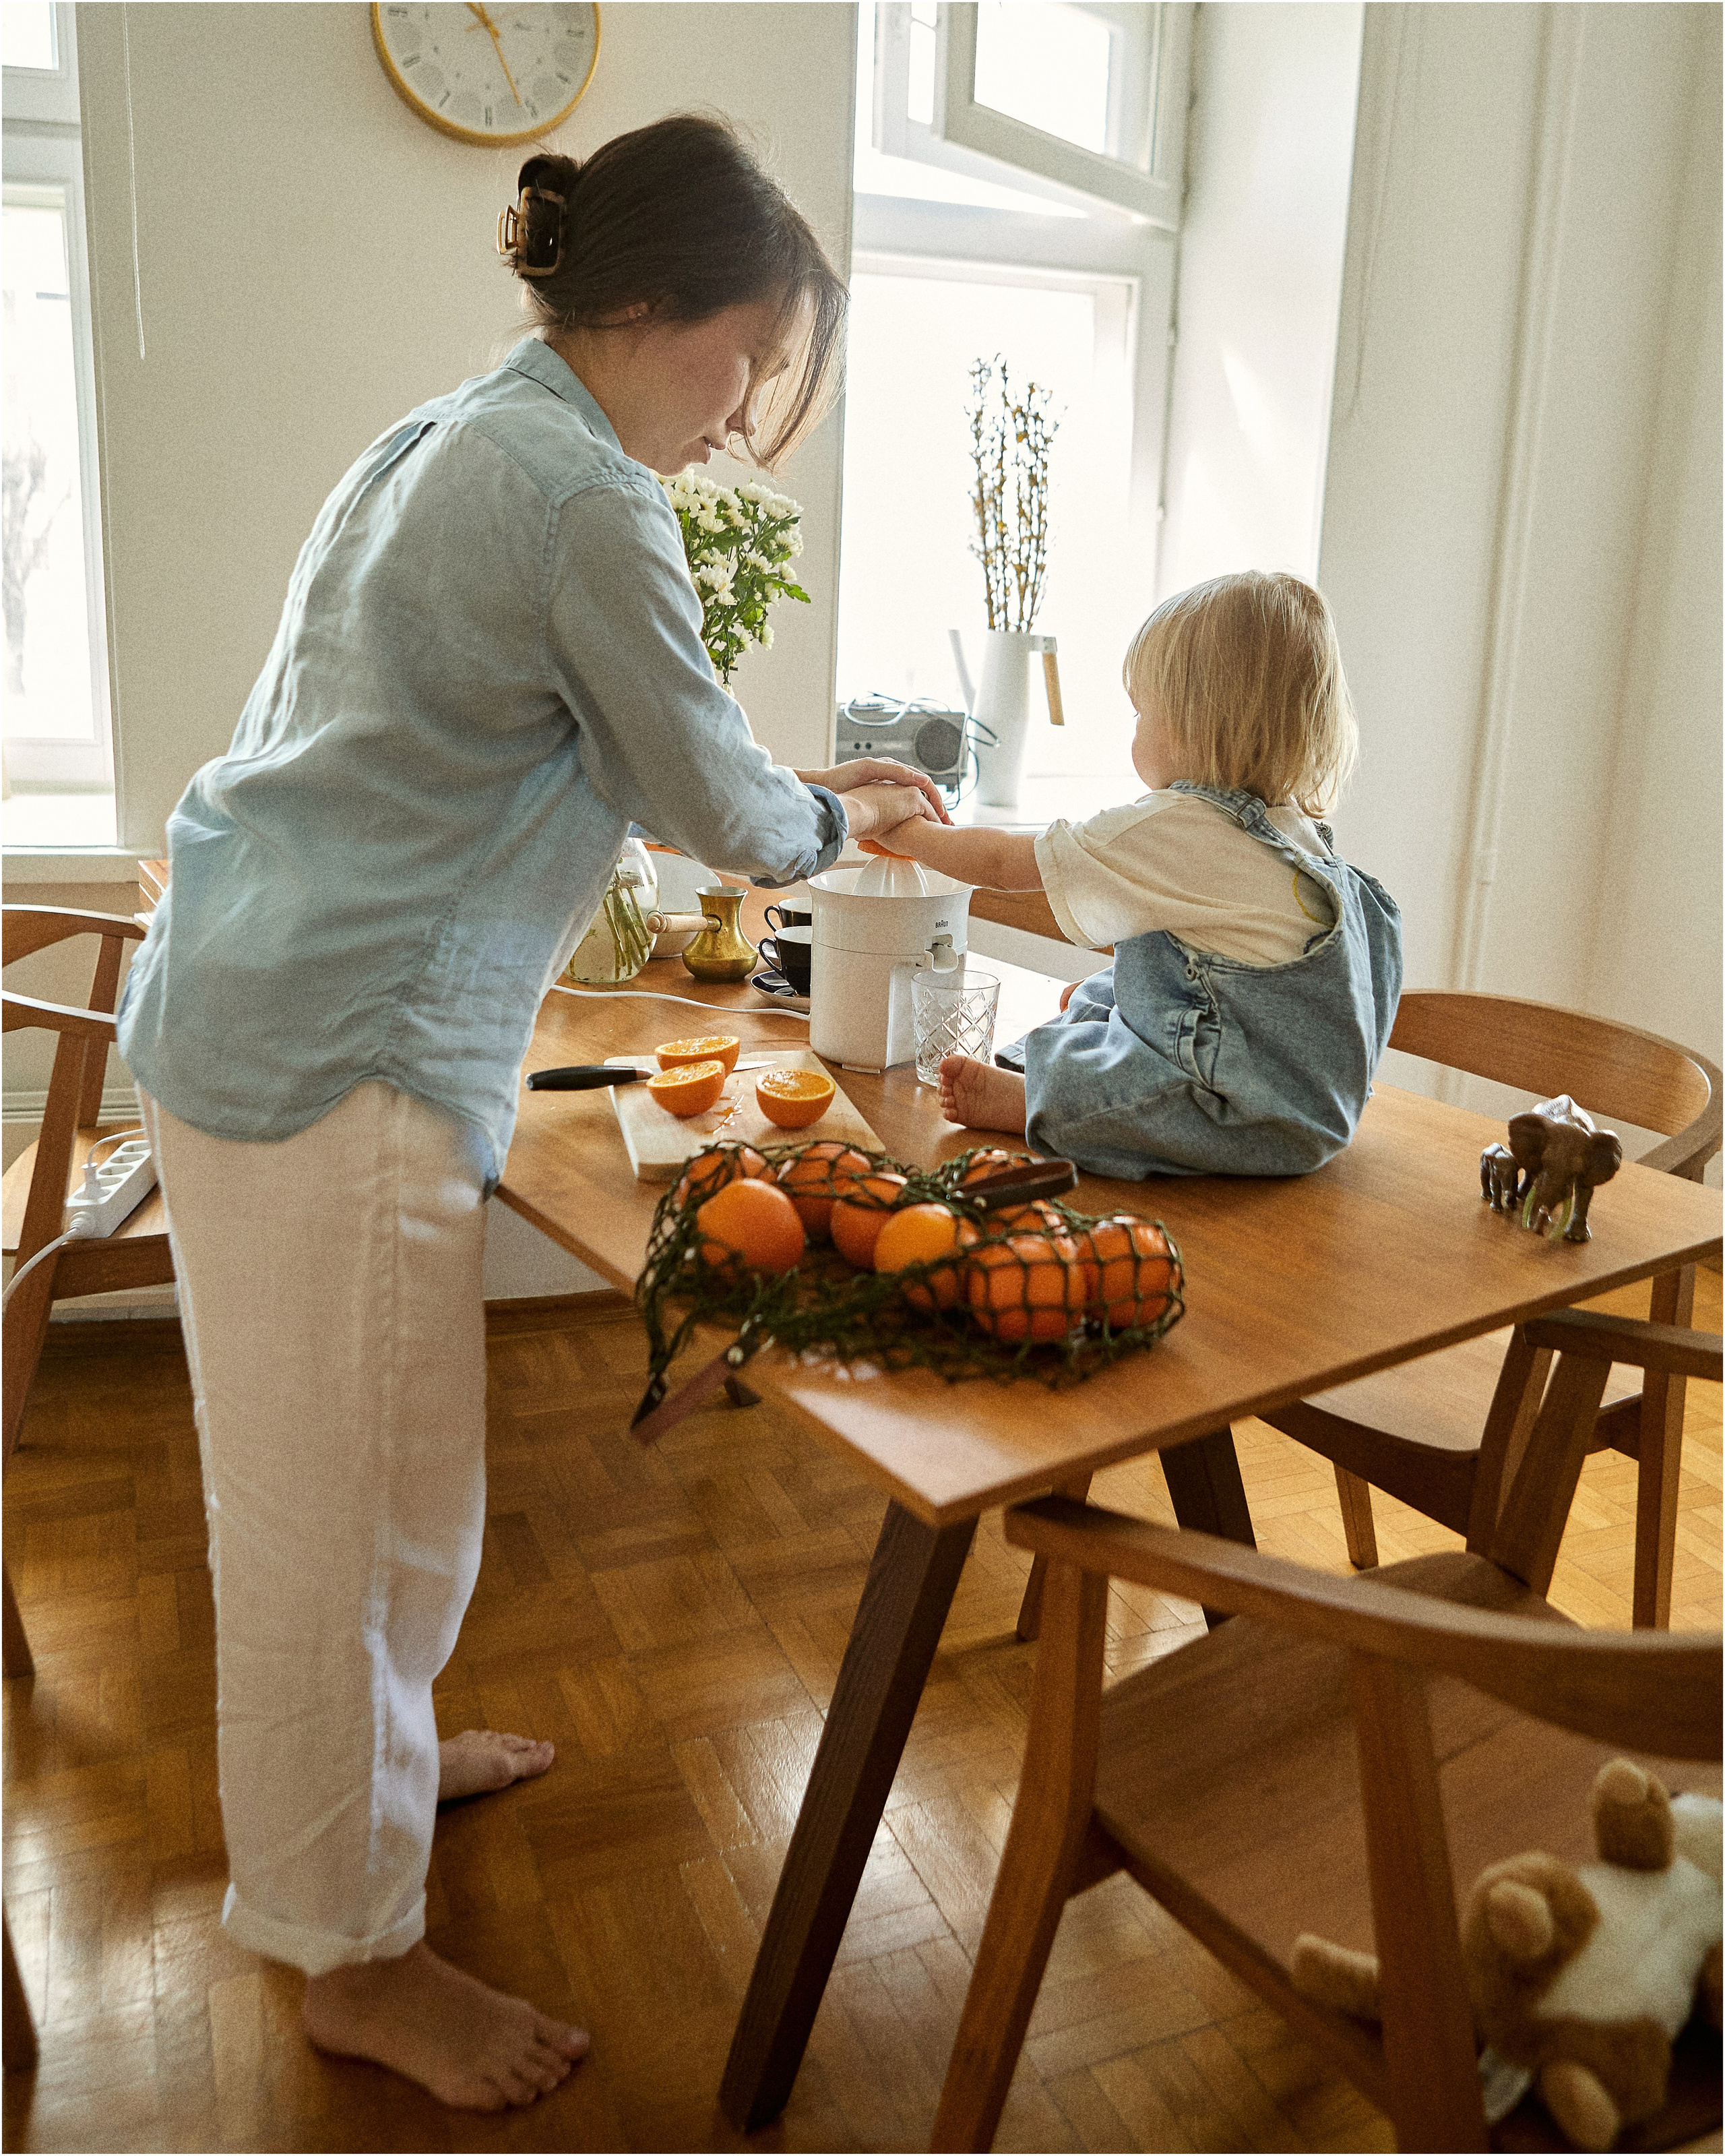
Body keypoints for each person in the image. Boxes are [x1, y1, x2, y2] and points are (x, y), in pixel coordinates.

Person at [115, 115, 940, 2113]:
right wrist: (836, 809)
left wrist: (780, 778)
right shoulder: (577, 491)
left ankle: (374, 1786)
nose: (745, 405)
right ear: (656, 312)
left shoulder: (457, 430)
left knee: (376, 1495)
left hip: (264, 1004)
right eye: (747, 351)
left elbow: (635, 741)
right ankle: (353, 1960)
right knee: (341, 1523)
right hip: (332, 1049)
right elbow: (722, 810)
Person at [875, 571, 1402, 1177]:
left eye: (1139, 712)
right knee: (1118, 975)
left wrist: (908, 833)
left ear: (1193, 722)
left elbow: (1004, 863)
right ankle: (1120, 1017)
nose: (1134, 728)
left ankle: (1030, 1100)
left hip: (1251, 1115)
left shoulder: (1183, 825)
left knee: (1132, 1099)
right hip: (1317, 1096)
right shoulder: (1296, 832)